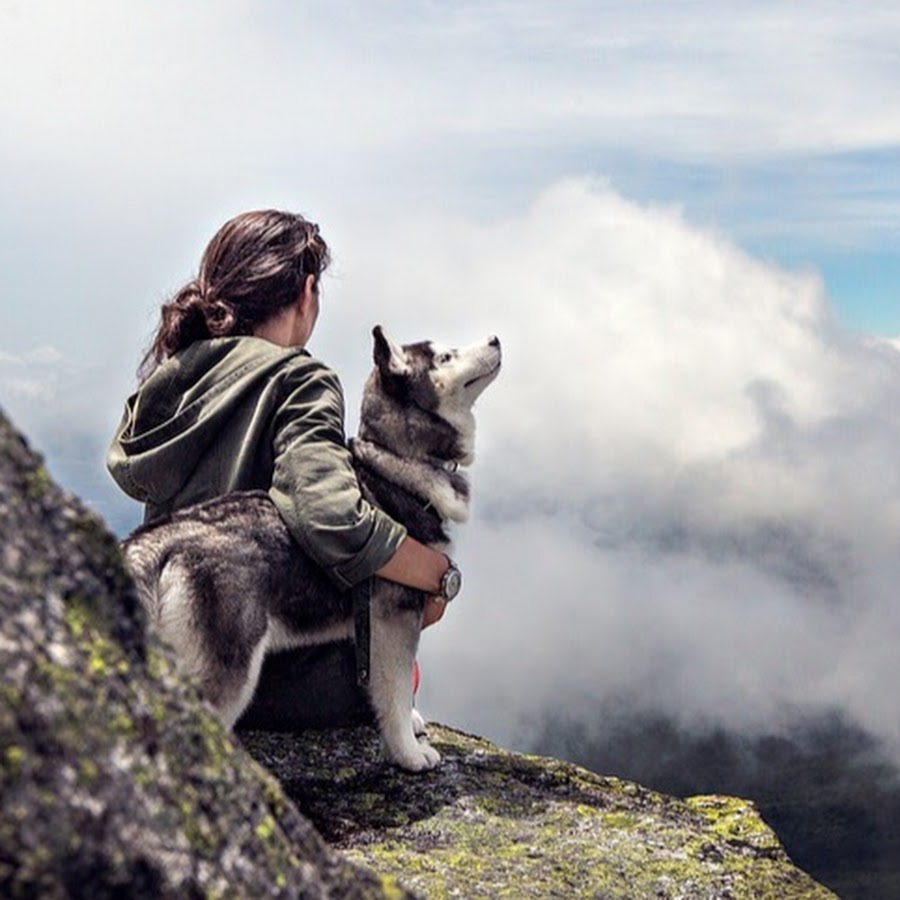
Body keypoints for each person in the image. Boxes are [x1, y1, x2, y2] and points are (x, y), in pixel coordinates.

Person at [107, 209, 452, 729]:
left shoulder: (171, 380)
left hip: (171, 657)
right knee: (401, 668)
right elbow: (330, 512)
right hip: (264, 677)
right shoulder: (299, 379)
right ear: (307, 291)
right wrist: (435, 574)